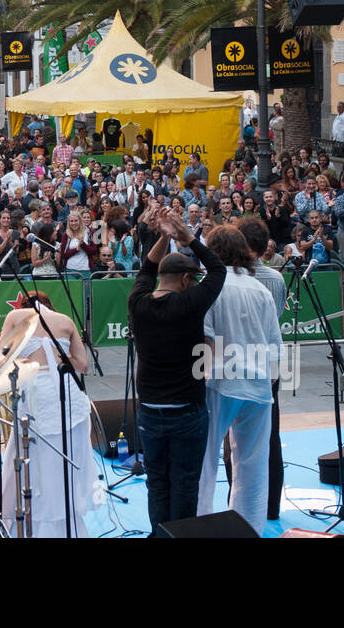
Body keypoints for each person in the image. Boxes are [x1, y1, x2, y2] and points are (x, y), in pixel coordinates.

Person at [128, 207, 226, 533]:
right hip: (187, 411)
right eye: (191, 280)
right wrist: (187, 237)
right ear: (186, 279)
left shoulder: (138, 302)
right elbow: (217, 269)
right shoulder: (189, 305)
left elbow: (146, 267)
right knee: (185, 484)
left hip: (150, 410)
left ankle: (159, 534)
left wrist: (165, 237)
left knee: (157, 483)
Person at [195, 225, 283, 534]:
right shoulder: (259, 289)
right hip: (258, 382)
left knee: (204, 462)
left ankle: (199, 527)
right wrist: (269, 386)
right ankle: (248, 531)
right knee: (253, 465)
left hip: (219, 381)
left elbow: (206, 340)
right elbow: (275, 344)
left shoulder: (211, 285)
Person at [0, 290, 94, 538]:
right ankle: (65, 522)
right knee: (62, 460)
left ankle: (33, 520)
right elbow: (82, 365)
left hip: (34, 391)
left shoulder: (14, 316)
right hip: (65, 394)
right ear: (49, 305)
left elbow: (0, 360)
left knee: (32, 459)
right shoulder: (65, 321)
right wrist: (58, 355)